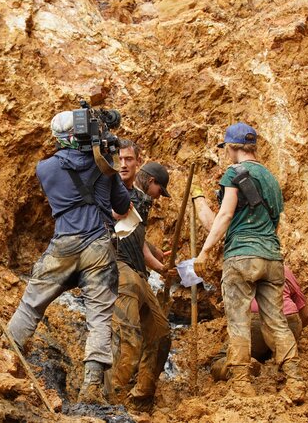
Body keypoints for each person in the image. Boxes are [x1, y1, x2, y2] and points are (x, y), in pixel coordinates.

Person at [6, 111, 130, 404]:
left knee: (31, 304)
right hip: (98, 245)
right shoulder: (102, 165)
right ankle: (91, 386)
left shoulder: (45, 168)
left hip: (63, 244)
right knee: (99, 315)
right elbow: (122, 205)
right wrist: (108, 161)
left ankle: (7, 356)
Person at [192, 122, 305, 403]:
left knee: (239, 321)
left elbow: (226, 216)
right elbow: (274, 222)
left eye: (226, 149)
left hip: (241, 255)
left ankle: (241, 383)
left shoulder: (234, 173)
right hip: (272, 257)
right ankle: (294, 380)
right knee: (276, 320)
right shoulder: (271, 179)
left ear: (231, 147)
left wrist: (205, 252)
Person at [106, 140, 173, 411]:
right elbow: (110, 219)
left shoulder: (140, 198)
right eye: (119, 159)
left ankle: (140, 400)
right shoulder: (109, 189)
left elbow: (136, 236)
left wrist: (158, 266)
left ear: (137, 163)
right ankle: (108, 405)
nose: (123, 164)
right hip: (119, 269)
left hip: (138, 274)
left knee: (161, 334)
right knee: (128, 341)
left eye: (129, 159)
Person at [208, 264, 308, 380]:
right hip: (289, 319)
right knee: (274, 350)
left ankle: (246, 366)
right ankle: (276, 360)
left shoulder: (239, 266)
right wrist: (292, 335)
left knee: (219, 361)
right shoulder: (283, 268)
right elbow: (307, 315)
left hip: (256, 320)